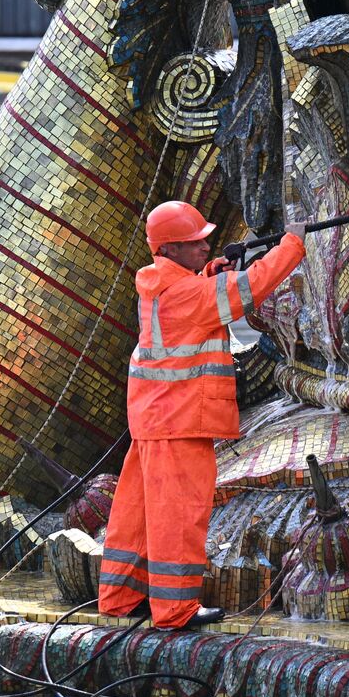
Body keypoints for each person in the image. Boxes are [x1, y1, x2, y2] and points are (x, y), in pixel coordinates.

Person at [98, 201, 306, 629]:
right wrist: (293, 243)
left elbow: (197, 294)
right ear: (170, 250)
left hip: (153, 418)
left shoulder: (160, 285)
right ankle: (175, 610)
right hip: (180, 422)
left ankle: (118, 598)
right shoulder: (190, 294)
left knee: (135, 514)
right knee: (179, 516)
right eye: (196, 242)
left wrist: (211, 269)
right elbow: (253, 286)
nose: (206, 245)